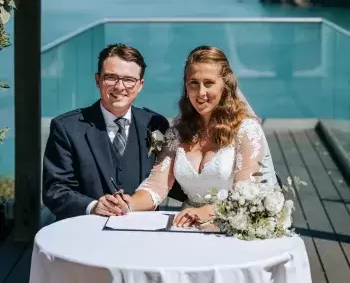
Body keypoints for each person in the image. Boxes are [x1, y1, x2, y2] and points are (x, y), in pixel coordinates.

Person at [111, 45, 277, 227]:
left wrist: (204, 212)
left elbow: (245, 193)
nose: (201, 93)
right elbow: (156, 186)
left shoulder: (246, 130)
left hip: (232, 225)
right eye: (194, 83)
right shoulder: (177, 132)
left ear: (225, 85)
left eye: (209, 83)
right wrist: (128, 203)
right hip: (186, 225)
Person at [42, 43, 185, 220]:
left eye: (129, 80)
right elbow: (54, 189)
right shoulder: (67, 127)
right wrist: (93, 206)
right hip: (85, 233)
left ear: (140, 85)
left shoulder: (156, 124)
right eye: (111, 77)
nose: (119, 87)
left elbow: (170, 180)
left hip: (142, 232)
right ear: (97, 80)